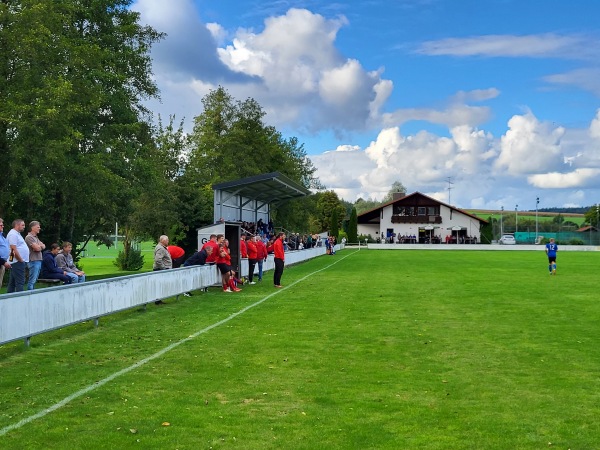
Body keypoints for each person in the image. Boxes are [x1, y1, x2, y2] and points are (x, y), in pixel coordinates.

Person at [7, 219, 30, 293]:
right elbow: (12, 248)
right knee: (20, 281)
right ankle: (20, 298)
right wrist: (20, 259)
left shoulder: (17, 234)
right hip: (17, 261)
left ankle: (10, 297)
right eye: (22, 225)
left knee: (13, 282)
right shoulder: (13, 234)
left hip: (17, 261)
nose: (24, 227)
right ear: (17, 225)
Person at [25, 221, 46, 290]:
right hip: (33, 261)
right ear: (32, 228)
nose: (39, 228)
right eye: (38, 227)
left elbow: (44, 246)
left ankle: (32, 293)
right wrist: (39, 246)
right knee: (32, 280)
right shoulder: (29, 237)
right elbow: (37, 248)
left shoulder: (36, 238)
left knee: (35, 279)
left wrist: (39, 246)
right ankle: (29, 295)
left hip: (38, 260)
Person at [153, 235, 172, 304]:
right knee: (159, 285)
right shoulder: (161, 248)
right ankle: (157, 301)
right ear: (163, 241)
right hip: (160, 269)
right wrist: (163, 268)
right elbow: (158, 260)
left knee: (161, 285)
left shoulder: (162, 247)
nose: (168, 241)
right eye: (167, 240)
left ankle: (159, 300)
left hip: (161, 269)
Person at [0, 218, 10, 289]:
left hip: (3, 264)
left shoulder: (3, 236)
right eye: (1, 225)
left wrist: (9, 260)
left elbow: (9, 249)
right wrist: (3, 262)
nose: (3, 226)